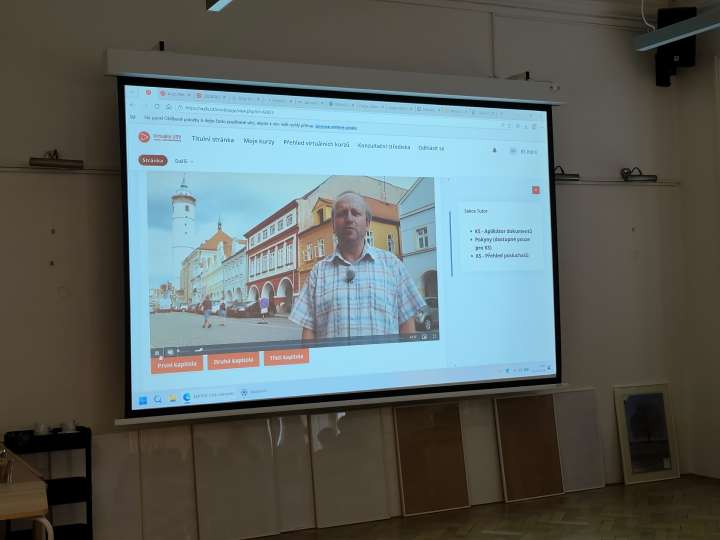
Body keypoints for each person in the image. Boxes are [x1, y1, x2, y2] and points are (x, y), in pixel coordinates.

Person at [290, 191, 426, 340]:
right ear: (333, 225)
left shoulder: (393, 266)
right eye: (342, 214)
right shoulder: (318, 273)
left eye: (355, 213)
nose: (349, 218)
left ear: (367, 223)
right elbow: (309, 331)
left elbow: (407, 325)